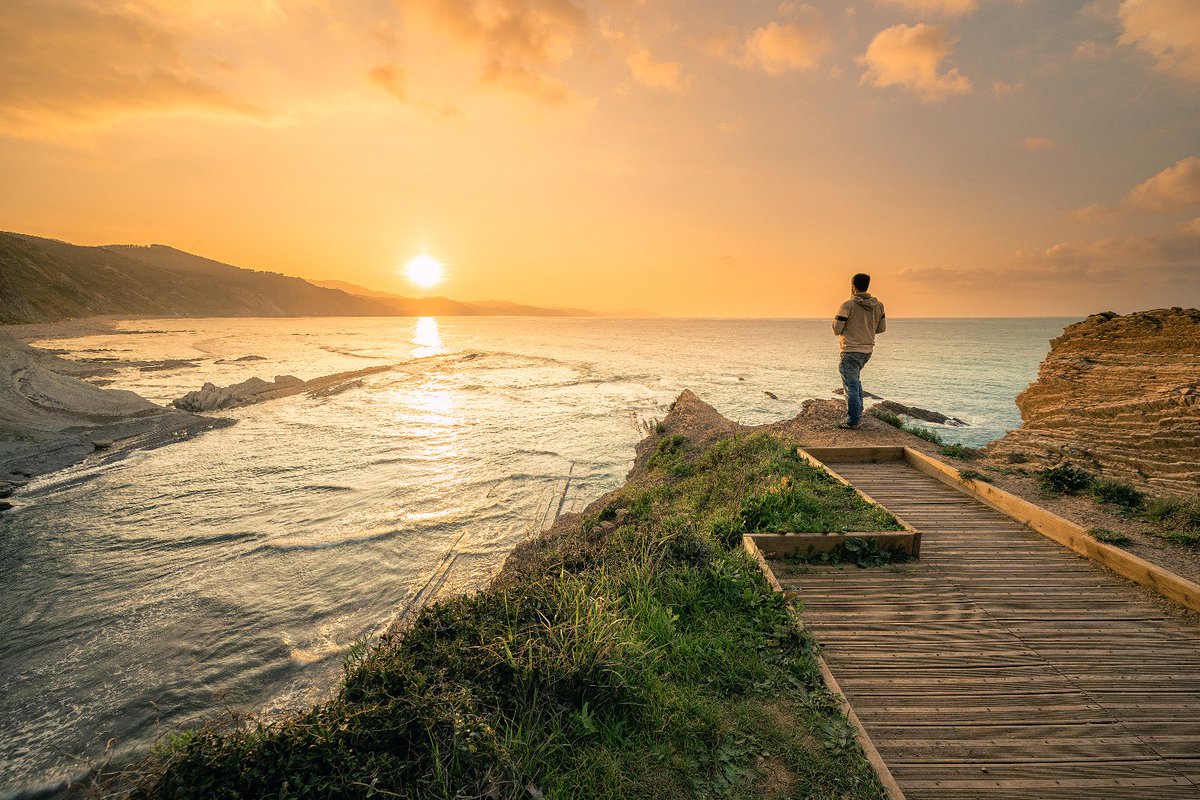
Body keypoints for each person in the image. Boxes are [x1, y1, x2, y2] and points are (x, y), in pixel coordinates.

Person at [832, 273, 886, 430]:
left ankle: (853, 420)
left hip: (850, 350)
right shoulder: (878, 306)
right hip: (867, 350)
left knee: (851, 385)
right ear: (867, 285)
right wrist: (866, 329)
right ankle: (858, 412)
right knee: (855, 381)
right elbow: (881, 328)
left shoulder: (847, 306)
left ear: (853, 286)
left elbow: (836, 329)